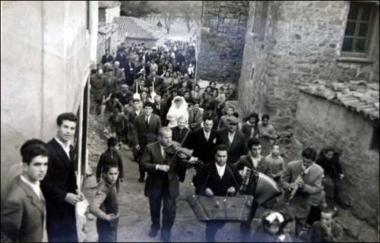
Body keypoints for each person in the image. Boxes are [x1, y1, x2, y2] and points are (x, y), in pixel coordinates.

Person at [141, 127, 196, 242]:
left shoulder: (176, 148)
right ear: (159, 137)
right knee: (154, 208)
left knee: (170, 210)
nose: (170, 140)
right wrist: (158, 166)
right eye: (166, 138)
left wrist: (189, 163)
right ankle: (155, 226)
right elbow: (144, 164)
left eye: (171, 137)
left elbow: (181, 164)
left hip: (170, 184)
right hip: (155, 184)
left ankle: (166, 231)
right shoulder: (150, 148)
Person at [41, 112, 85, 242]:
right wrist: (65, 195)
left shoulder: (70, 148)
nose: (69, 131)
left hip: (68, 208)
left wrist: (77, 190)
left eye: (72, 128)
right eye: (65, 127)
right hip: (55, 209)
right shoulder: (48, 150)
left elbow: (69, 175)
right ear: (58, 127)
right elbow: (43, 183)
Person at [1, 139, 49, 242]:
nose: (43, 169)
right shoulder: (15, 199)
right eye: (37, 164)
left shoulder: (34, 183)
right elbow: (7, 239)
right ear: (25, 167)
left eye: (45, 164)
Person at [192, 144, 242, 242]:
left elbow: (239, 181)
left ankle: (215, 227)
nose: (221, 159)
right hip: (210, 200)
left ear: (227, 156)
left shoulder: (231, 168)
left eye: (224, 156)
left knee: (221, 221)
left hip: (225, 200)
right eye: (219, 156)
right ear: (215, 156)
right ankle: (209, 238)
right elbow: (196, 180)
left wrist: (234, 188)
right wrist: (205, 189)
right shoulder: (206, 168)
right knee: (211, 224)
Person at [281, 147, 326, 236]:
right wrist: (289, 186)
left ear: (314, 161)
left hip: (304, 205)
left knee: (298, 232)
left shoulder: (319, 171)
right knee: (286, 230)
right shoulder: (291, 165)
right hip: (289, 203)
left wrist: (304, 186)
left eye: (309, 162)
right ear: (302, 157)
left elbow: (316, 189)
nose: (305, 164)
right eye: (304, 161)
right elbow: (282, 181)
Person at [232, 138, 264, 241]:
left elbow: (269, 175)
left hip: (258, 192)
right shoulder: (243, 159)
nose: (257, 151)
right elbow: (232, 169)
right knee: (246, 214)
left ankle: (246, 225)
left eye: (259, 149)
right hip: (246, 191)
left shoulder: (264, 160)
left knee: (253, 211)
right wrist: (240, 174)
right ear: (250, 150)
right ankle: (244, 235)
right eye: (254, 149)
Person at [90, 164, 120, 243]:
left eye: (115, 174)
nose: (113, 177)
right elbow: (92, 208)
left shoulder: (110, 183)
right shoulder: (105, 188)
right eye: (110, 174)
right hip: (106, 225)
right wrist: (106, 217)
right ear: (104, 174)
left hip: (111, 224)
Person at [133, 101, 162, 182]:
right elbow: (135, 132)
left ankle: (150, 177)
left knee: (152, 161)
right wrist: (136, 143)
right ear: (143, 109)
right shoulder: (138, 118)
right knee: (141, 161)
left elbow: (159, 132)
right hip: (142, 143)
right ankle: (141, 176)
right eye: (146, 108)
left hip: (153, 143)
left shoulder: (157, 118)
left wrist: (158, 143)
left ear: (152, 110)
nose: (147, 110)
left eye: (149, 109)